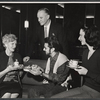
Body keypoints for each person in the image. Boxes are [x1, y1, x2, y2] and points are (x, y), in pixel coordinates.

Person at [51, 25, 100, 98]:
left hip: (96, 91)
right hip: (84, 88)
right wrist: (76, 67)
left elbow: (88, 72)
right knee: (53, 98)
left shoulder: (98, 54)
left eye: (80, 35)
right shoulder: (85, 53)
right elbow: (86, 71)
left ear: (89, 36)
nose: (78, 38)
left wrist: (87, 73)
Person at [0, 34, 23, 98]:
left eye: (15, 44)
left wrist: (21, 69)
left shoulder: (18, 56)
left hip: (14, 83)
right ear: (6, 44)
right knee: (7, 94)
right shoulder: (0, 57)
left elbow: (20, 75)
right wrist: (7, 70)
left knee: (14, 94)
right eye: (12, 44)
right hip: (2, 83)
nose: (14, 46)